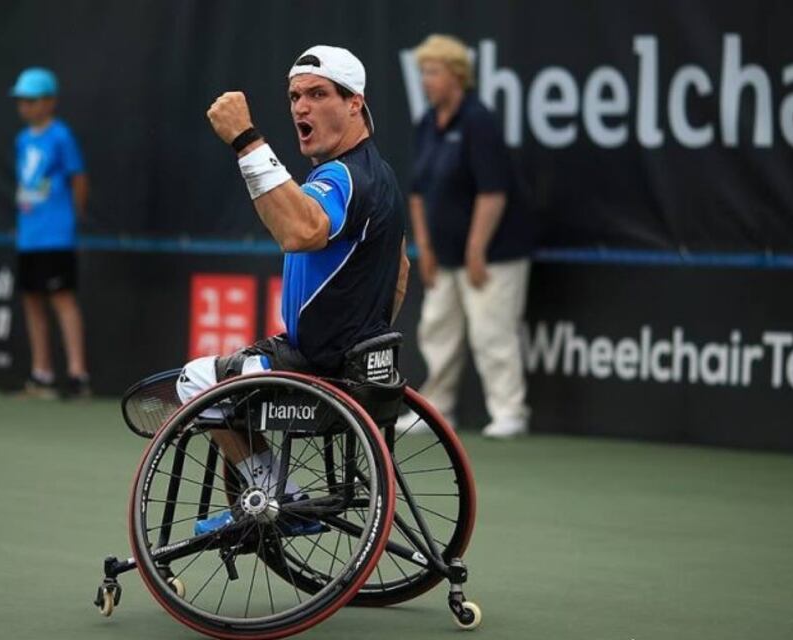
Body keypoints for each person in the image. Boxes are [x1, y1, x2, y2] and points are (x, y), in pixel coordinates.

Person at [182, 45, 409, 533]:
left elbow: (300, 231)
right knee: (237, 366)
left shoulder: (342, 175)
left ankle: (279, 498)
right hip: (362, 366)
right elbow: (401, 269)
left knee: (195, 382)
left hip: (317, 366)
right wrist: (366, 334)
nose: (301, 107)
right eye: (294, 97)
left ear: (355, 102)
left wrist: (246, 141)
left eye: (318, 94)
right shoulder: (382, 175)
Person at [404, 35, 534, 438]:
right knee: (436, 331)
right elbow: (418, 193)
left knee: (492, 331)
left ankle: (509, 412)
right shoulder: (427, 123)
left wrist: (476, 250)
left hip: (493, 254)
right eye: (423, 72)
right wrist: (425, 248)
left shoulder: (479, 121)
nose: (425, 80)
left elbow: (492, 192)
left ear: (457, 75)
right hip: (443, 255)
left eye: (433, 72)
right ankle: (437, 410)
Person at [11, 67, 91, 399]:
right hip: (28, 237)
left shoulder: (61, 136)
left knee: (62, 299)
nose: (25, 106)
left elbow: (79, 179)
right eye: (21, 100)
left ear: (49, 102)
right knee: (31, 300)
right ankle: (41, 374)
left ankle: (77, 375)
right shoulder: (21, 140)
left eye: (31, 100)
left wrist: (72, 219)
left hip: (57, 236)